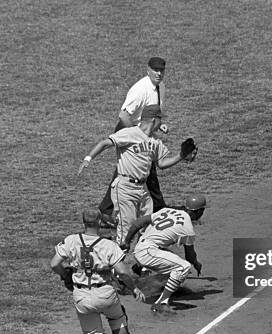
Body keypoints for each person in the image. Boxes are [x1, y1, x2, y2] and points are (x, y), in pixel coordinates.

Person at [50, 210, 146, 334]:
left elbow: (54, 263)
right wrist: (133, 288)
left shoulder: (71, 240)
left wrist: (65, 275)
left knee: (92, 332)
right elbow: (123, 272)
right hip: (105, 293)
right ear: (100, 222)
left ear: (83, 222)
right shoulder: (108, 245)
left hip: (82, 296)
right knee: (118, 319)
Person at [77, 104, 196, 244]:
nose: (161, 123)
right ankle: (119, 258)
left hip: (143, 189)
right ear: (153, 120)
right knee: (125, 227)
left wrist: (181, 156)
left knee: (148, 224)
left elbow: (162, 163)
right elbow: (105, 143)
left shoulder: (155, 141)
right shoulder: (130, 133)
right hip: (125, 187)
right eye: (160, 120)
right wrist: (87, 159)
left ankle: (141, 253)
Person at [98, 57, 169, 227]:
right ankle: (158, 209)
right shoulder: (140, 89)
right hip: (128, 132)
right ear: (148, 70)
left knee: (137, 171)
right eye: (155, 70)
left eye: (161, 70)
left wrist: (159, 125)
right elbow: (123, 116)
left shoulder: (160, 87)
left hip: (142, 131)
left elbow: (150, 114)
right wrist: (136, 135)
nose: (159, 74)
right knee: (140, 169)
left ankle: (106, 211)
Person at [120, 194, 206, 314]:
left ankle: (139, 270)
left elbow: (138, 223)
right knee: (183, 267)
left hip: (141, 247)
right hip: (148, 253)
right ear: (199, 211)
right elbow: (190, 256)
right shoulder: (187, 228)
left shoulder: (167, 211)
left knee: (172, 262)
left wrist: (127, 242)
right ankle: (161, 302)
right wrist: (196, 263)